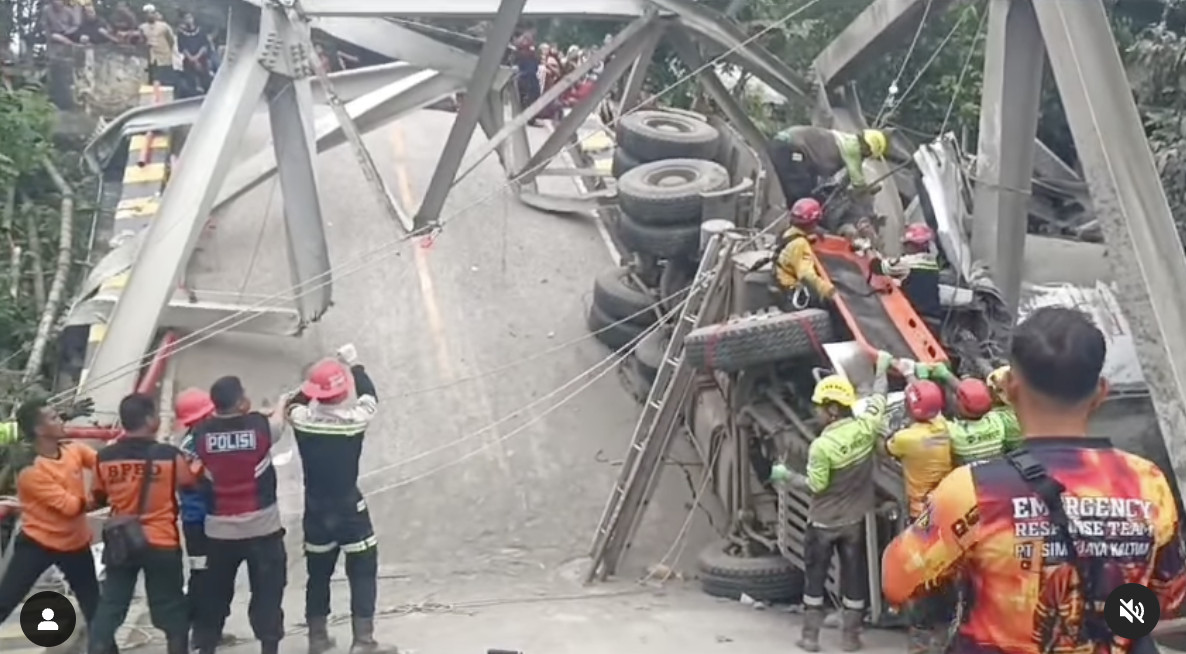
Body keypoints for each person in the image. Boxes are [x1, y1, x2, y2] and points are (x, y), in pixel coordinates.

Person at [882, 306, 1186, 654]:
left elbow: (897, 580)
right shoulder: (1148, 484)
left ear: (1010, 387)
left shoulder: (973, 490)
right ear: (1101, 392)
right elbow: (1169, 596)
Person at [773, 351, 894, 652]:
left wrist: (786, 475)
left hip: (823, 524)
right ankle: (850, 638)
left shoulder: (821, 447)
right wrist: (881, 370)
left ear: (832, 410)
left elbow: (816, 485)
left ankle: (810, 638)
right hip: (854, 522)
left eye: (819, 408)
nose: (816, 413)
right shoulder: (865, 428)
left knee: (815, 580)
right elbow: (880, 397)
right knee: (854, 579)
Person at [285, 348, 394, 654]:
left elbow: (294, 403)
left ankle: (317, 638)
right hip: (350, 511)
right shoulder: (354, 421)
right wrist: (355, 364)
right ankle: (363, 641)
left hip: (316, 512)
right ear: (343, 390)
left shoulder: (303, 421)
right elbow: (370, 396)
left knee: (318, 573)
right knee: (362, 568)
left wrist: (309, 387)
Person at [89, 393, 198, 654]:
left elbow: (97, 498)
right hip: (161, 542)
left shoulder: (105, 457)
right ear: (150, 419)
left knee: (111, 606)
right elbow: (189, 484)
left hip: (120, 543)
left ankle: (97, 648)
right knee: (171, 609)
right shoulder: (169, 456)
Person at [190, 376, 288, 654]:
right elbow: (278, 424)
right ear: (241, 401)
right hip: (264, 532)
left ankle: (206, 646)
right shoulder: (260, 427)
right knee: (268, 595)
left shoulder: (201, 434)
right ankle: (269, 648)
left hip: (219, 535)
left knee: (215, 596)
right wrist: (281, 403)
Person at [0, 398, 106, 649]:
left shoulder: (73, 450)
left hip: (75, 544)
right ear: (38, 430)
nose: (62, 420)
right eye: (53, 417)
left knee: (95, 607)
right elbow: (71, 508)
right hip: (38, 544)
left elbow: (103, 465)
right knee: (6, 600)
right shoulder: (30, 471)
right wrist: (102, 497)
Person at [882, 378, 953, 654]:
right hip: (944, 511)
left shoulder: (906, 439)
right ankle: (944, 633)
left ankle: (920, 640)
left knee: (921, 577)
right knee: (946, 573)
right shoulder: (945, 428)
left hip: (920, 516)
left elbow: (885, 448)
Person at [173, 388, 233, 648]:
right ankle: (203, 632)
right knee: (210, 578)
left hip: (195, 522)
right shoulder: (198, 445)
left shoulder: (188, 442)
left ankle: (206, 630)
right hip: (205, 522)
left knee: (203, 575)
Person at [767, 126, 889, 209]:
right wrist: (871, 189)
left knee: (806, 193)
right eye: (868, 155)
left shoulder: (845, 139)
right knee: (802, 200)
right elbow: (858, 185)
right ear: (867, 149)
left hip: (784, 142)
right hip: (792, 147)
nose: (865, 158)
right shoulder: (854, 149)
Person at [919, 363, 1019, 464]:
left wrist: (923, 381)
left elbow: (925, 442)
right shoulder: (999, 422)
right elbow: (973, 399)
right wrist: (947, 376)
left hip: (967, 474)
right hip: (996, 466)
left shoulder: (954, 433)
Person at [871, 223, 941, 322]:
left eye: (906, 244)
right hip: (934, 320)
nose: (904, 247)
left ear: (913, 245)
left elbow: (877, 267)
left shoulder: (907, 263)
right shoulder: (932, 263)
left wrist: (871, 247)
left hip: (916, 321)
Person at [774, 198, 836, 305]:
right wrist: (826, 289)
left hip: (780, 281)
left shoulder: (788, 233)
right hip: (792, 293)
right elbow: (806, 275)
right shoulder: (800, 244)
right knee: (830, 307)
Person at [176, 12, 212, 97]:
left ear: (193, 19)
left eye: (190, 17)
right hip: (188, 60)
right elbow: (182, 48)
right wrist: (191, 58)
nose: (188, 20)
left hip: (201, 60)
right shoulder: (181, 34)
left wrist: (197, 57)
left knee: (205, 80)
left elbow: (205, 45)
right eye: (186, 18)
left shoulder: (201, 31)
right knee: (190, 82)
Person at [139, 4, 175, 84]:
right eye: (147, 13)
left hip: (165, 58)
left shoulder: (164, 26)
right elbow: (141, 42)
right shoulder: (142, 27)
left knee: (167, 81)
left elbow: (171, 40)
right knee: (155, 80)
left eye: (152, 13)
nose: (150, 15)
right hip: (152, 59)